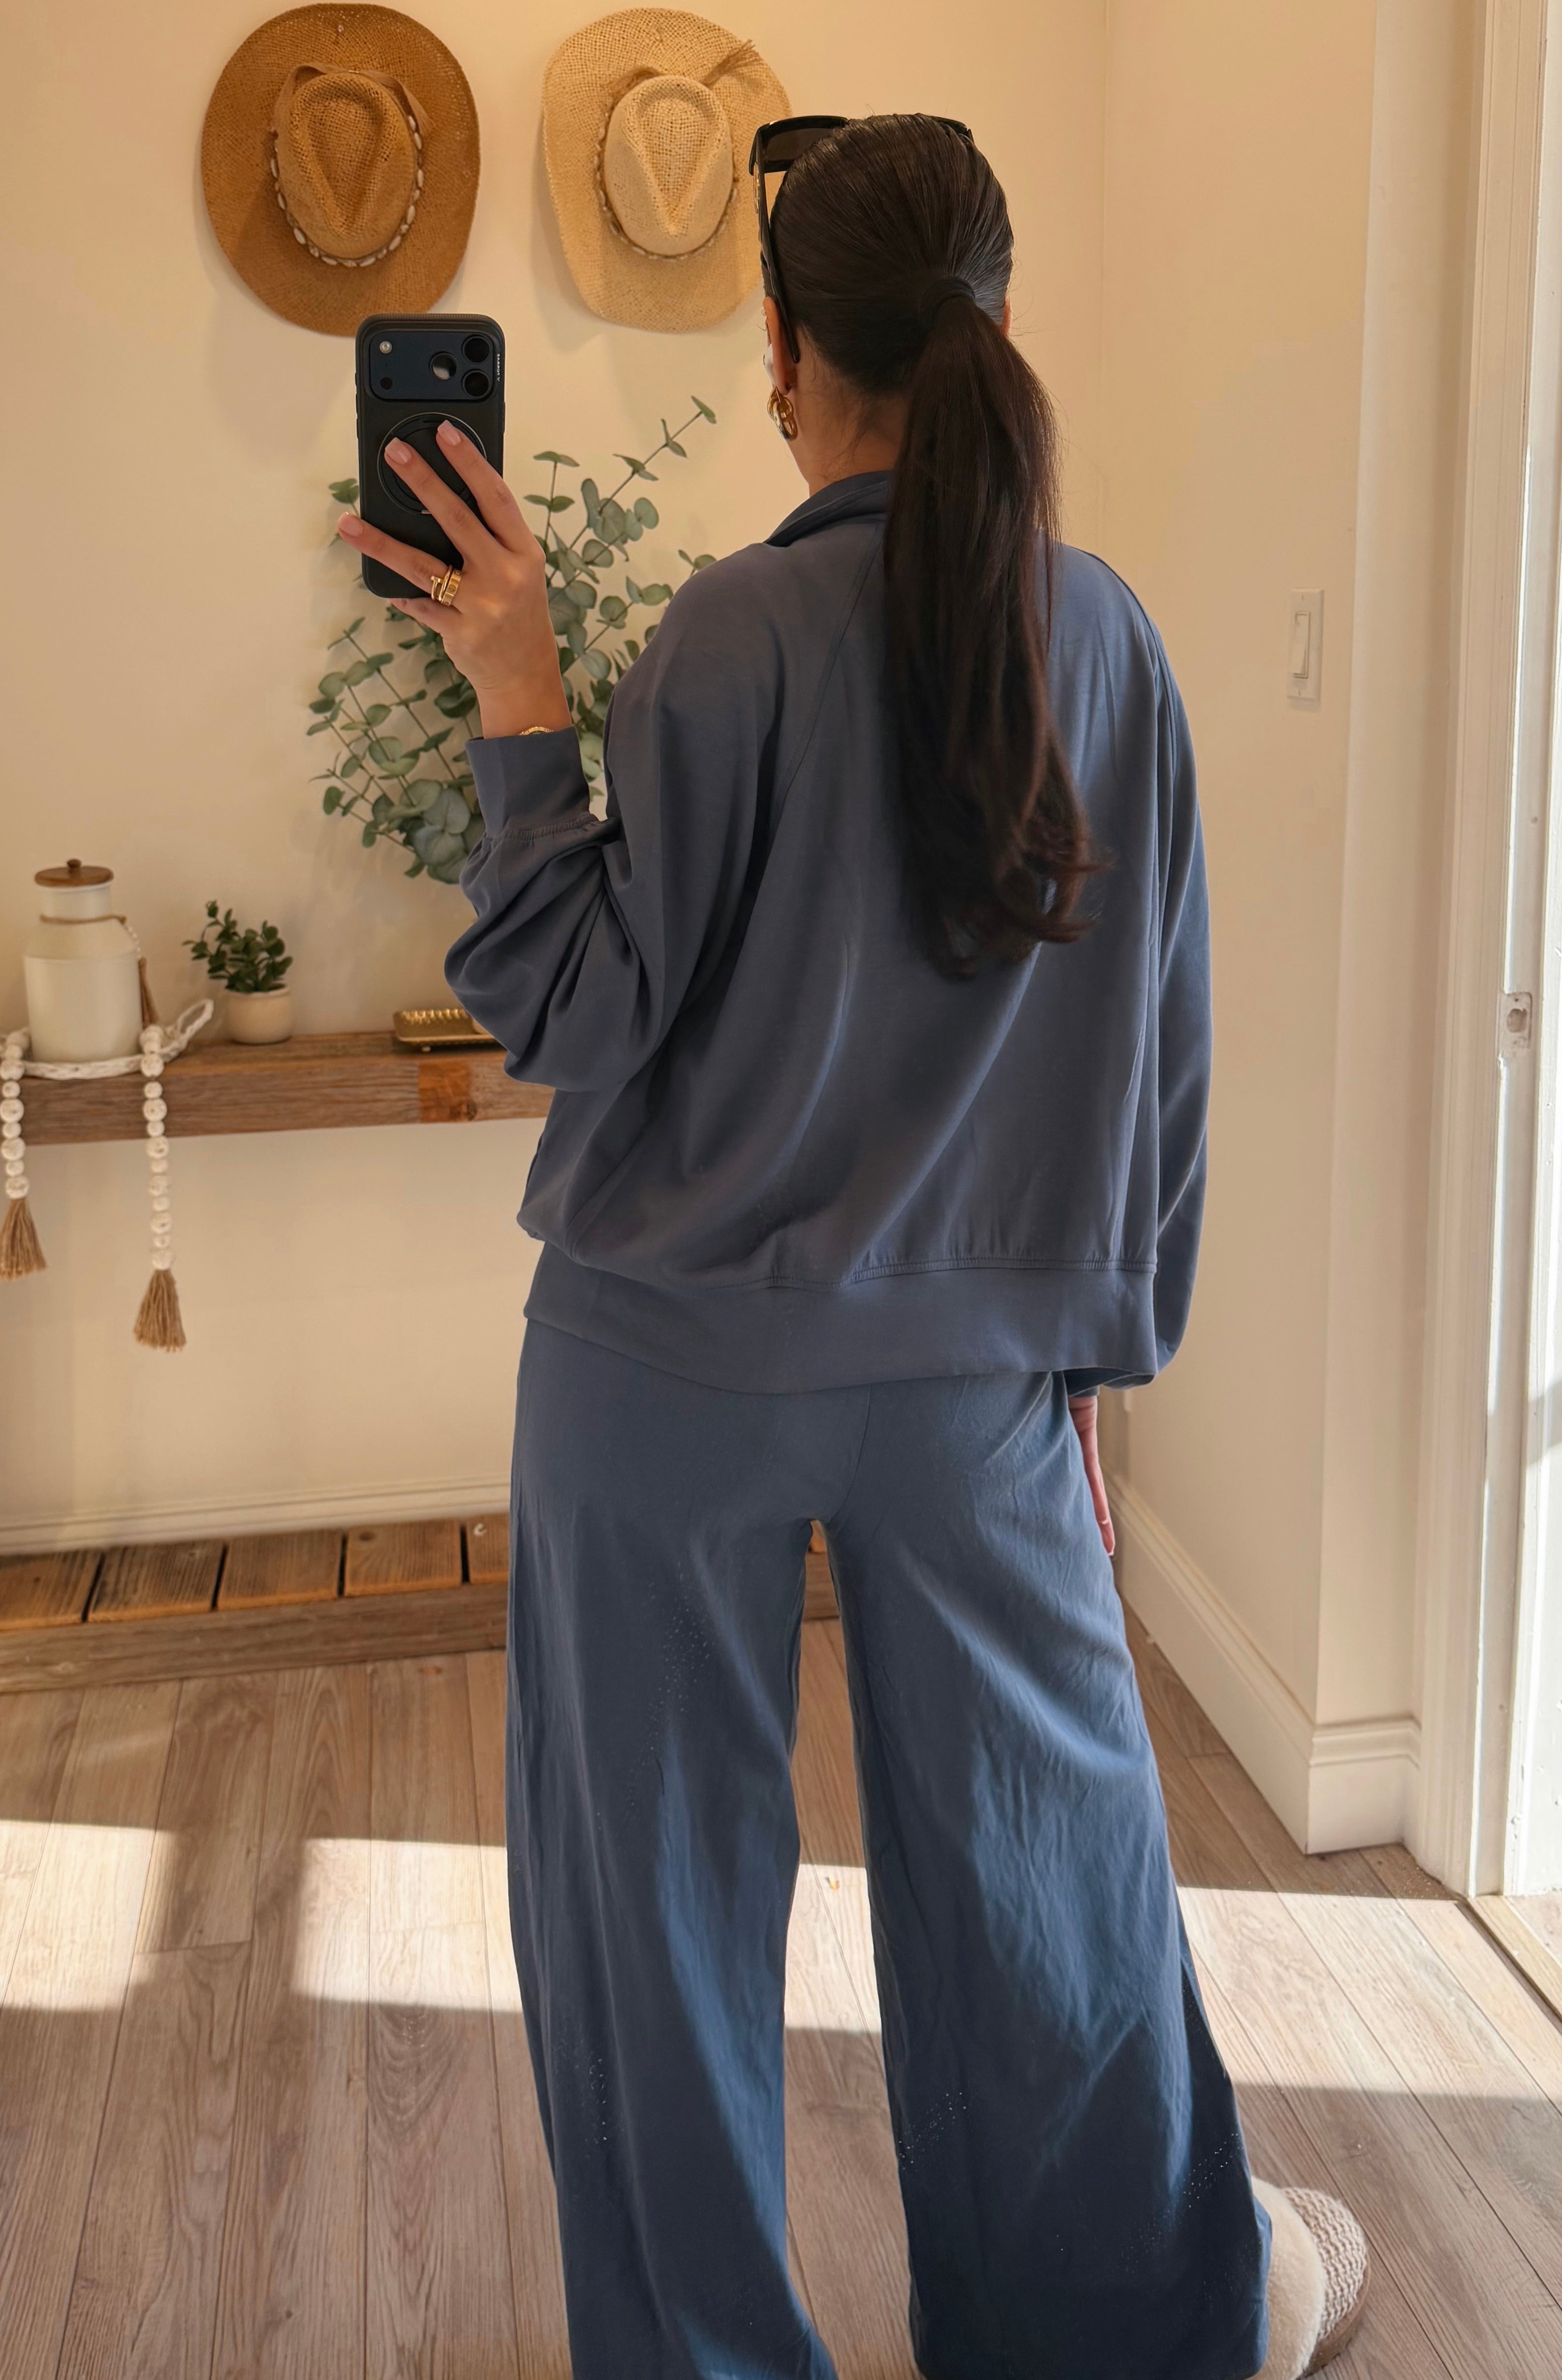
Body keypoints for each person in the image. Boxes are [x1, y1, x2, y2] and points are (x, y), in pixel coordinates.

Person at [338, 110, 1369, 2380]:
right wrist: (1090, 1367)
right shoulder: (1105, 636)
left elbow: (575, 1014)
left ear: (785, 347)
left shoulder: (727, 633)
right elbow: (1159, 1050)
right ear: (994, 323)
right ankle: (1133, 2332)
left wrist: (517, 690)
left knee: (651, 1920)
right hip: (978, 1376)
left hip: (656, 1369)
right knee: (1049, 1881)